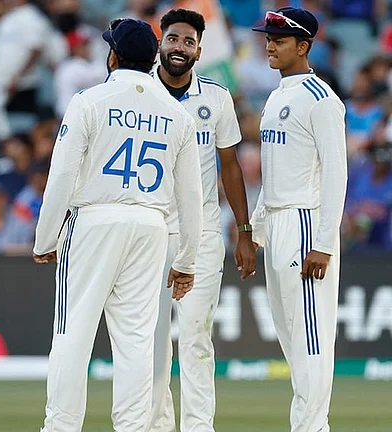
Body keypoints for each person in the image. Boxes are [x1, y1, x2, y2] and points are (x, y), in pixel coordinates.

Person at [32, 18, 203, 432]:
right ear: (151, 60)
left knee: (73, 333)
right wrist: (187, 259)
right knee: (137, 342)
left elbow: (61, 176)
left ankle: (61, 426)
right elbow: (192, 196)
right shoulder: (175, 112)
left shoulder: (89, 100)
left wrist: (45, 237)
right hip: (151, 226)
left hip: (95, 219)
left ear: (112, 55)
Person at [149, 9, 258, 432]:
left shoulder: (216, 97)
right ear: (161, 42)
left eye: (188, 42)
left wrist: (244, 232)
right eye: (173, 39)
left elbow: (230, 166)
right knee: (154, 340)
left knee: (195, 336)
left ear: (199, 49)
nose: (180, 48)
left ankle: (198, 426)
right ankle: (156, 425)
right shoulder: (139, 92)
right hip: (150, 231)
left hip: (204, 233)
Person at [250, 8, 348, 432]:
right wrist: (254, 231)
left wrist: (324, 242)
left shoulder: (322, 99)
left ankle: (312, 427)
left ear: (303, 46)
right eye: (268, 37)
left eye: (280, 39)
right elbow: (273, 172)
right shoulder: (276, 96)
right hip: (276, 223)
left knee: (311, 337)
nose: (269, 45)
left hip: (306, 223)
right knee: (291, 336)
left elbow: (336, 174)